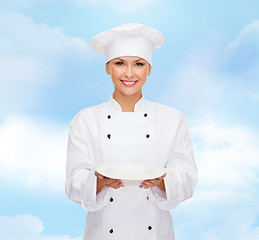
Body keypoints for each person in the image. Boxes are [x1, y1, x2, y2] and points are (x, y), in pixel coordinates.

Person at [65, 23, 198, 240]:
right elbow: (73, 183)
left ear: (149, 69)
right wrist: (99, 182)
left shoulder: (172, 119)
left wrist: (162, 181)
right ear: (108, 68)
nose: (129, 73)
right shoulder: (86, 120)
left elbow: (188, 180)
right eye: (120, 63)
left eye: (138, 64)